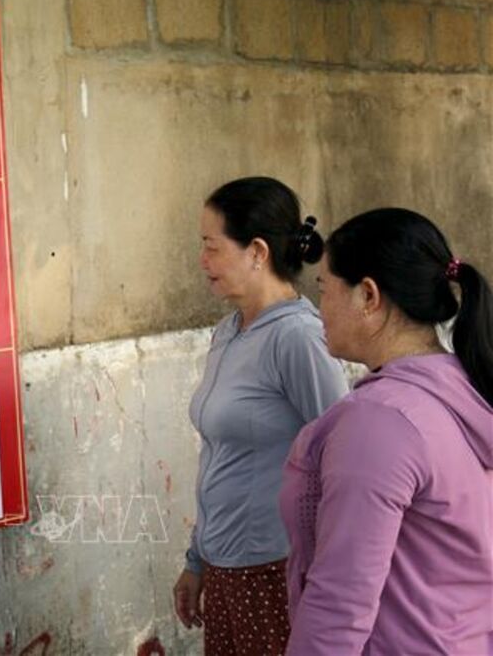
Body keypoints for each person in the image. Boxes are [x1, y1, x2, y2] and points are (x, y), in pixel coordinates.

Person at [280, 208, 493, 655]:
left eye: (325, 290)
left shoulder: (379, 422)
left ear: (368, 296)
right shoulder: (462, 388)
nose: (320, 309)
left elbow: (340, 602)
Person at [173, 177, 349, 655]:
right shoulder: (228, 331)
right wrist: (196, 560)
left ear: (257, 251)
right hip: (223, 565)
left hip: (274, 570)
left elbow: (344, 457)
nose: (202, 260)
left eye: (212, 246)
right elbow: (218, 455)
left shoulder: (298, 338)